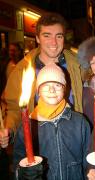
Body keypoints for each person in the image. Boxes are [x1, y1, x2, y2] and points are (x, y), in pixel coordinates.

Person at [0, 12, 83, 144]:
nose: (54, 42)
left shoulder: (78, 64)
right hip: (40, 143)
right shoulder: (22, 71)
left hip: (74, 139)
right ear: (37, 38)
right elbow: (15, 109)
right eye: (47, 36)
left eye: (59, 36)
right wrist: (9, 130)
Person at [13, 63, 91, 180]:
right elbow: (17, 161)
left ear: (64, 90)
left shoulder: (79, 122)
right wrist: (22, 173)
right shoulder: (28, 126)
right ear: (38, 91)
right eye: (45, 85)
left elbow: (88, 156)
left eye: (57, 85)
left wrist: (92, 171)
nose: (52, 90)